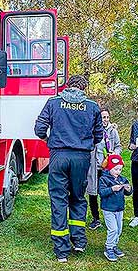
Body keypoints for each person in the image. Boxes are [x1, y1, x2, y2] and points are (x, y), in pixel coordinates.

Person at [34, 75, 103, 263]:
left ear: (68, 86)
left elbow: (39, 128)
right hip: (81, 157)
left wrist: (49, 140)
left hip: (59, 155)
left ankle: (61, 250)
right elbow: (99, 136)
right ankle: (79, 241)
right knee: (78, 198)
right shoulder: (92, 106)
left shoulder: (54, 102)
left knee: (58, 200)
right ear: (83, 88)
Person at [87, 107, 122, 230]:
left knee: (107, 192)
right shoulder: (93, 130)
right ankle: (96, 218)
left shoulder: (113, 131)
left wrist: (114, 154)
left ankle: (109, 216)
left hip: (108, 168)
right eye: (103, 117)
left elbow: (118, 146)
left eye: (107, 117)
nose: (105, 120)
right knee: (93, 192)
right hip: (95, 166)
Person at [99, 154, 132, 262]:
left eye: (120, 169)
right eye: (116, 169)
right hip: (108, 208)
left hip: (119, 209)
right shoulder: (104, 179)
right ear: (109, 168)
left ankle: (114, 245)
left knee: (119, 229)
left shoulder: (122, 179)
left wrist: (128, 189)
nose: (118, 171)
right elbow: (102, 192)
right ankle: (108, 248)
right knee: (113, 229)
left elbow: (128, 193)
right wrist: (112, 189)